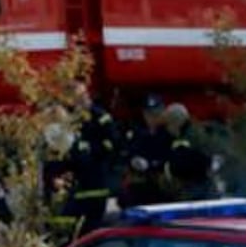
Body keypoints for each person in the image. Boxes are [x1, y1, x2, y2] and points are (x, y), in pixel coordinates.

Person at [58, 81, 117, 238]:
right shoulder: (68, 120)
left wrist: (89, 149)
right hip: (76, 184)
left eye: (80, 97)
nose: (78, 102)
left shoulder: (100, 117)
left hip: (96, 183)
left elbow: (112, 144)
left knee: (92, 227)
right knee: (69, 226)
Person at [119, 94, 172, 208]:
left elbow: (173, 158)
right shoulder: (138, 133)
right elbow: (129, 152)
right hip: (141, 185)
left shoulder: (169, 134)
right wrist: (133, 160)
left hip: (162, 185)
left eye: (155, 114)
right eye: (148, 114)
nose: (151, 118)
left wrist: (152, 164)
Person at [163, 103, 213, 201]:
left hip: (195, 190)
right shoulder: (197, 133)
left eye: (168, 124)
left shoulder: (187, 139)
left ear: (175, 122)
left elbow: (181, 165)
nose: (167, 129)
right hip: (201, 187)